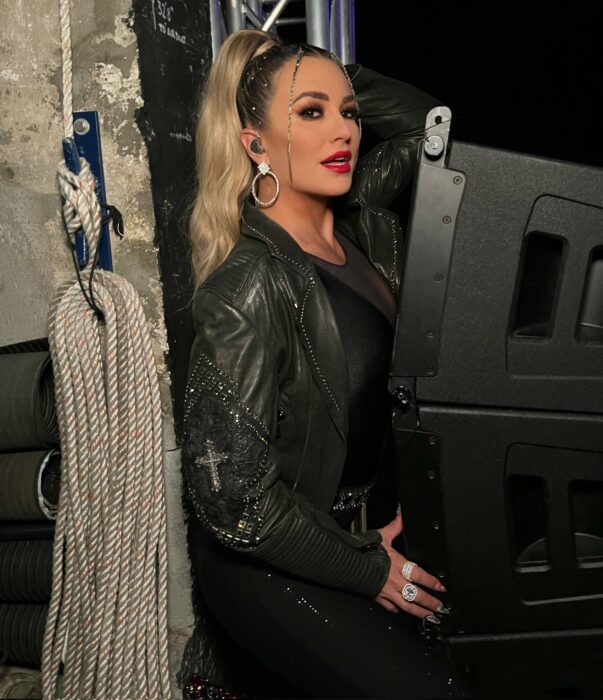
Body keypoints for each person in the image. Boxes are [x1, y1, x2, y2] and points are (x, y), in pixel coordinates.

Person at [180, 28, 475, 699]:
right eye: (309, 113)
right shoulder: (249, 284)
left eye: (347, 112)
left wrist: (299, 68)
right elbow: (236, 508)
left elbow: (430, 123)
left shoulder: (364, 225)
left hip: (364, 535)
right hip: (272, 562)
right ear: (253, 142)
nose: (341, 130)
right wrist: (369, 567)